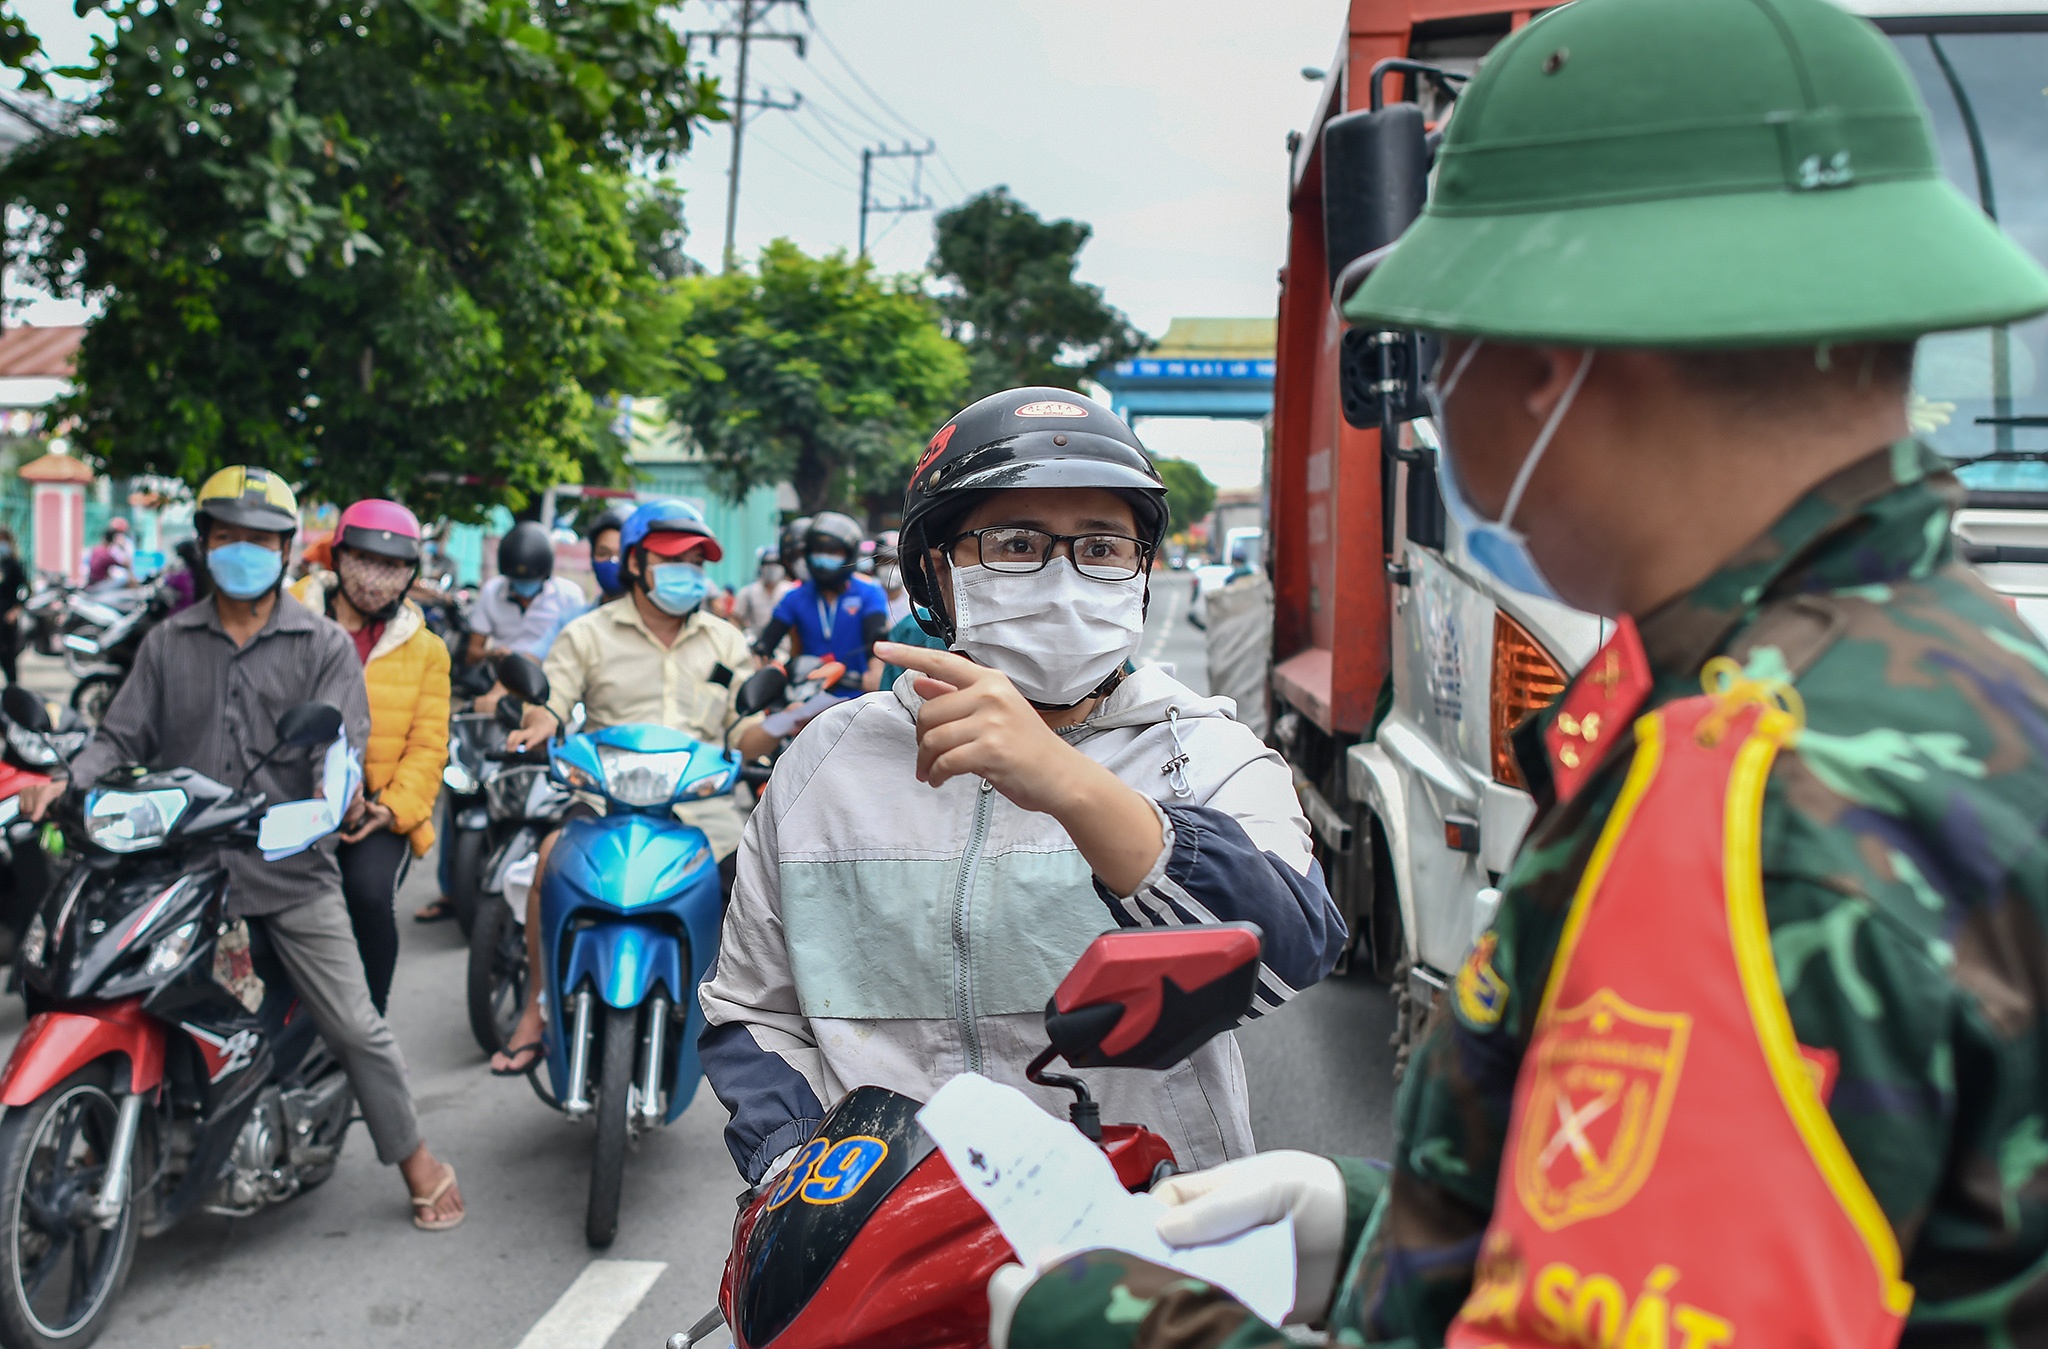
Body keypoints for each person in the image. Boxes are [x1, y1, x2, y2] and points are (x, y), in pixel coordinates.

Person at [989, 0, 2048, 1344]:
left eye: (1440, 350)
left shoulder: (1749, 809)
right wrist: (1394, 1224)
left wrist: (1122, 1327)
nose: (1428, 399)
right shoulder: (1952, 671)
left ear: (1542, 363)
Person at [698, 387, 1346, 1186]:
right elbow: (751, 1007)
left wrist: (1066, 781)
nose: (1062, 575)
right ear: (937, 569)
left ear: (1141, 574)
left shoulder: (1208, 754)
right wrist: (800, 1172)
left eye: (1102, 547)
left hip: (1142, 1239)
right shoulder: (828, 759)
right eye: (1014, 543)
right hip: (878, 1243)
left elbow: (1288, 952)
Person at [21, 466, 465, 1231]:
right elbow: (121, 737)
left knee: (356, 1023)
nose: (244, 551)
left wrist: (333, 804)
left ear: (288, 548)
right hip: (177, 865)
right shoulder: (167, 642)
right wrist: (63, 781)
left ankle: (418, 1159)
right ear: (204, 545)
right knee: (80, 974)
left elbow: (341, 758)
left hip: (287, 872)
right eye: (228, 537)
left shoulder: (322, 646)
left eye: (260, 540)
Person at [489, 500, 774, 1074]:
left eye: (698, 560)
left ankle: (737, 1021)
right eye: (674, 558)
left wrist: (783, 725)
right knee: (548, 862)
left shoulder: (724, 642)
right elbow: (549, 700)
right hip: (604, 799)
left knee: (755, 887)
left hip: (701, 805)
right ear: (637, 562)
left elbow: (742, 729)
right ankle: (536, 1008)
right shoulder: (587, 634)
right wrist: (540, 722)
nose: (688, 570)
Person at [290, 499, 451, 1009]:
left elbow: (428, 745)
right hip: (287, 801)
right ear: (337, 559)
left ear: (410, 574)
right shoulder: (288, 619)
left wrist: (390, 808)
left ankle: (369, 1024)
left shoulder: (426, 649)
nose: (376, 577)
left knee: (367, 893)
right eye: (364, 560)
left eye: (393, 566)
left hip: (375, 808)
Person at [751, 512, 890, 689]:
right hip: (806, 697)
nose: (824, 557)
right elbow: (764, 647)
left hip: (857, 697)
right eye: (818, 551)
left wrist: (842, 678)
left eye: (833, 551)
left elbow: (877, 663)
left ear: (850, 554)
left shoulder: (870, 593)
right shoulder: (794, 598)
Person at [467, 520, 582, 687]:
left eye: (531, 579)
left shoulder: (569, 597)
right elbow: (472, 654)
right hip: (501, 679)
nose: (524, 589)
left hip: (552, 680)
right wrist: (493, 655)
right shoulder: (492, 591)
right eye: (517, 580)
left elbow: (578, 653)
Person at [731, 547, 790, 640]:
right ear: (761, 566)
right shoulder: (748, 592)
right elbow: (735, 617)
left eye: (776, 563)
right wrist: (743, 635)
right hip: (755, 644)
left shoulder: (790, 591)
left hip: (785, 646)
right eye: (767, 564)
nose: (772, 568)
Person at [584, 506, 628, 606]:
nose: (613, 561)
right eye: (603, 554)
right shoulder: (575, 619)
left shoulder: (655, 620)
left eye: (620, 554)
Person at [0, 527, 26, 687]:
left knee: (7, 657)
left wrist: (16, 610)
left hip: (7, 619)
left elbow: (24, 590)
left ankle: (13, 693)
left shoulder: (13, 565)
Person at [84, 517, 132, 587]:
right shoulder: (105, 554)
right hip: (98, 584)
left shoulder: (97, 549)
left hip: (94, 582)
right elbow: (126, 564)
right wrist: (122, 548)